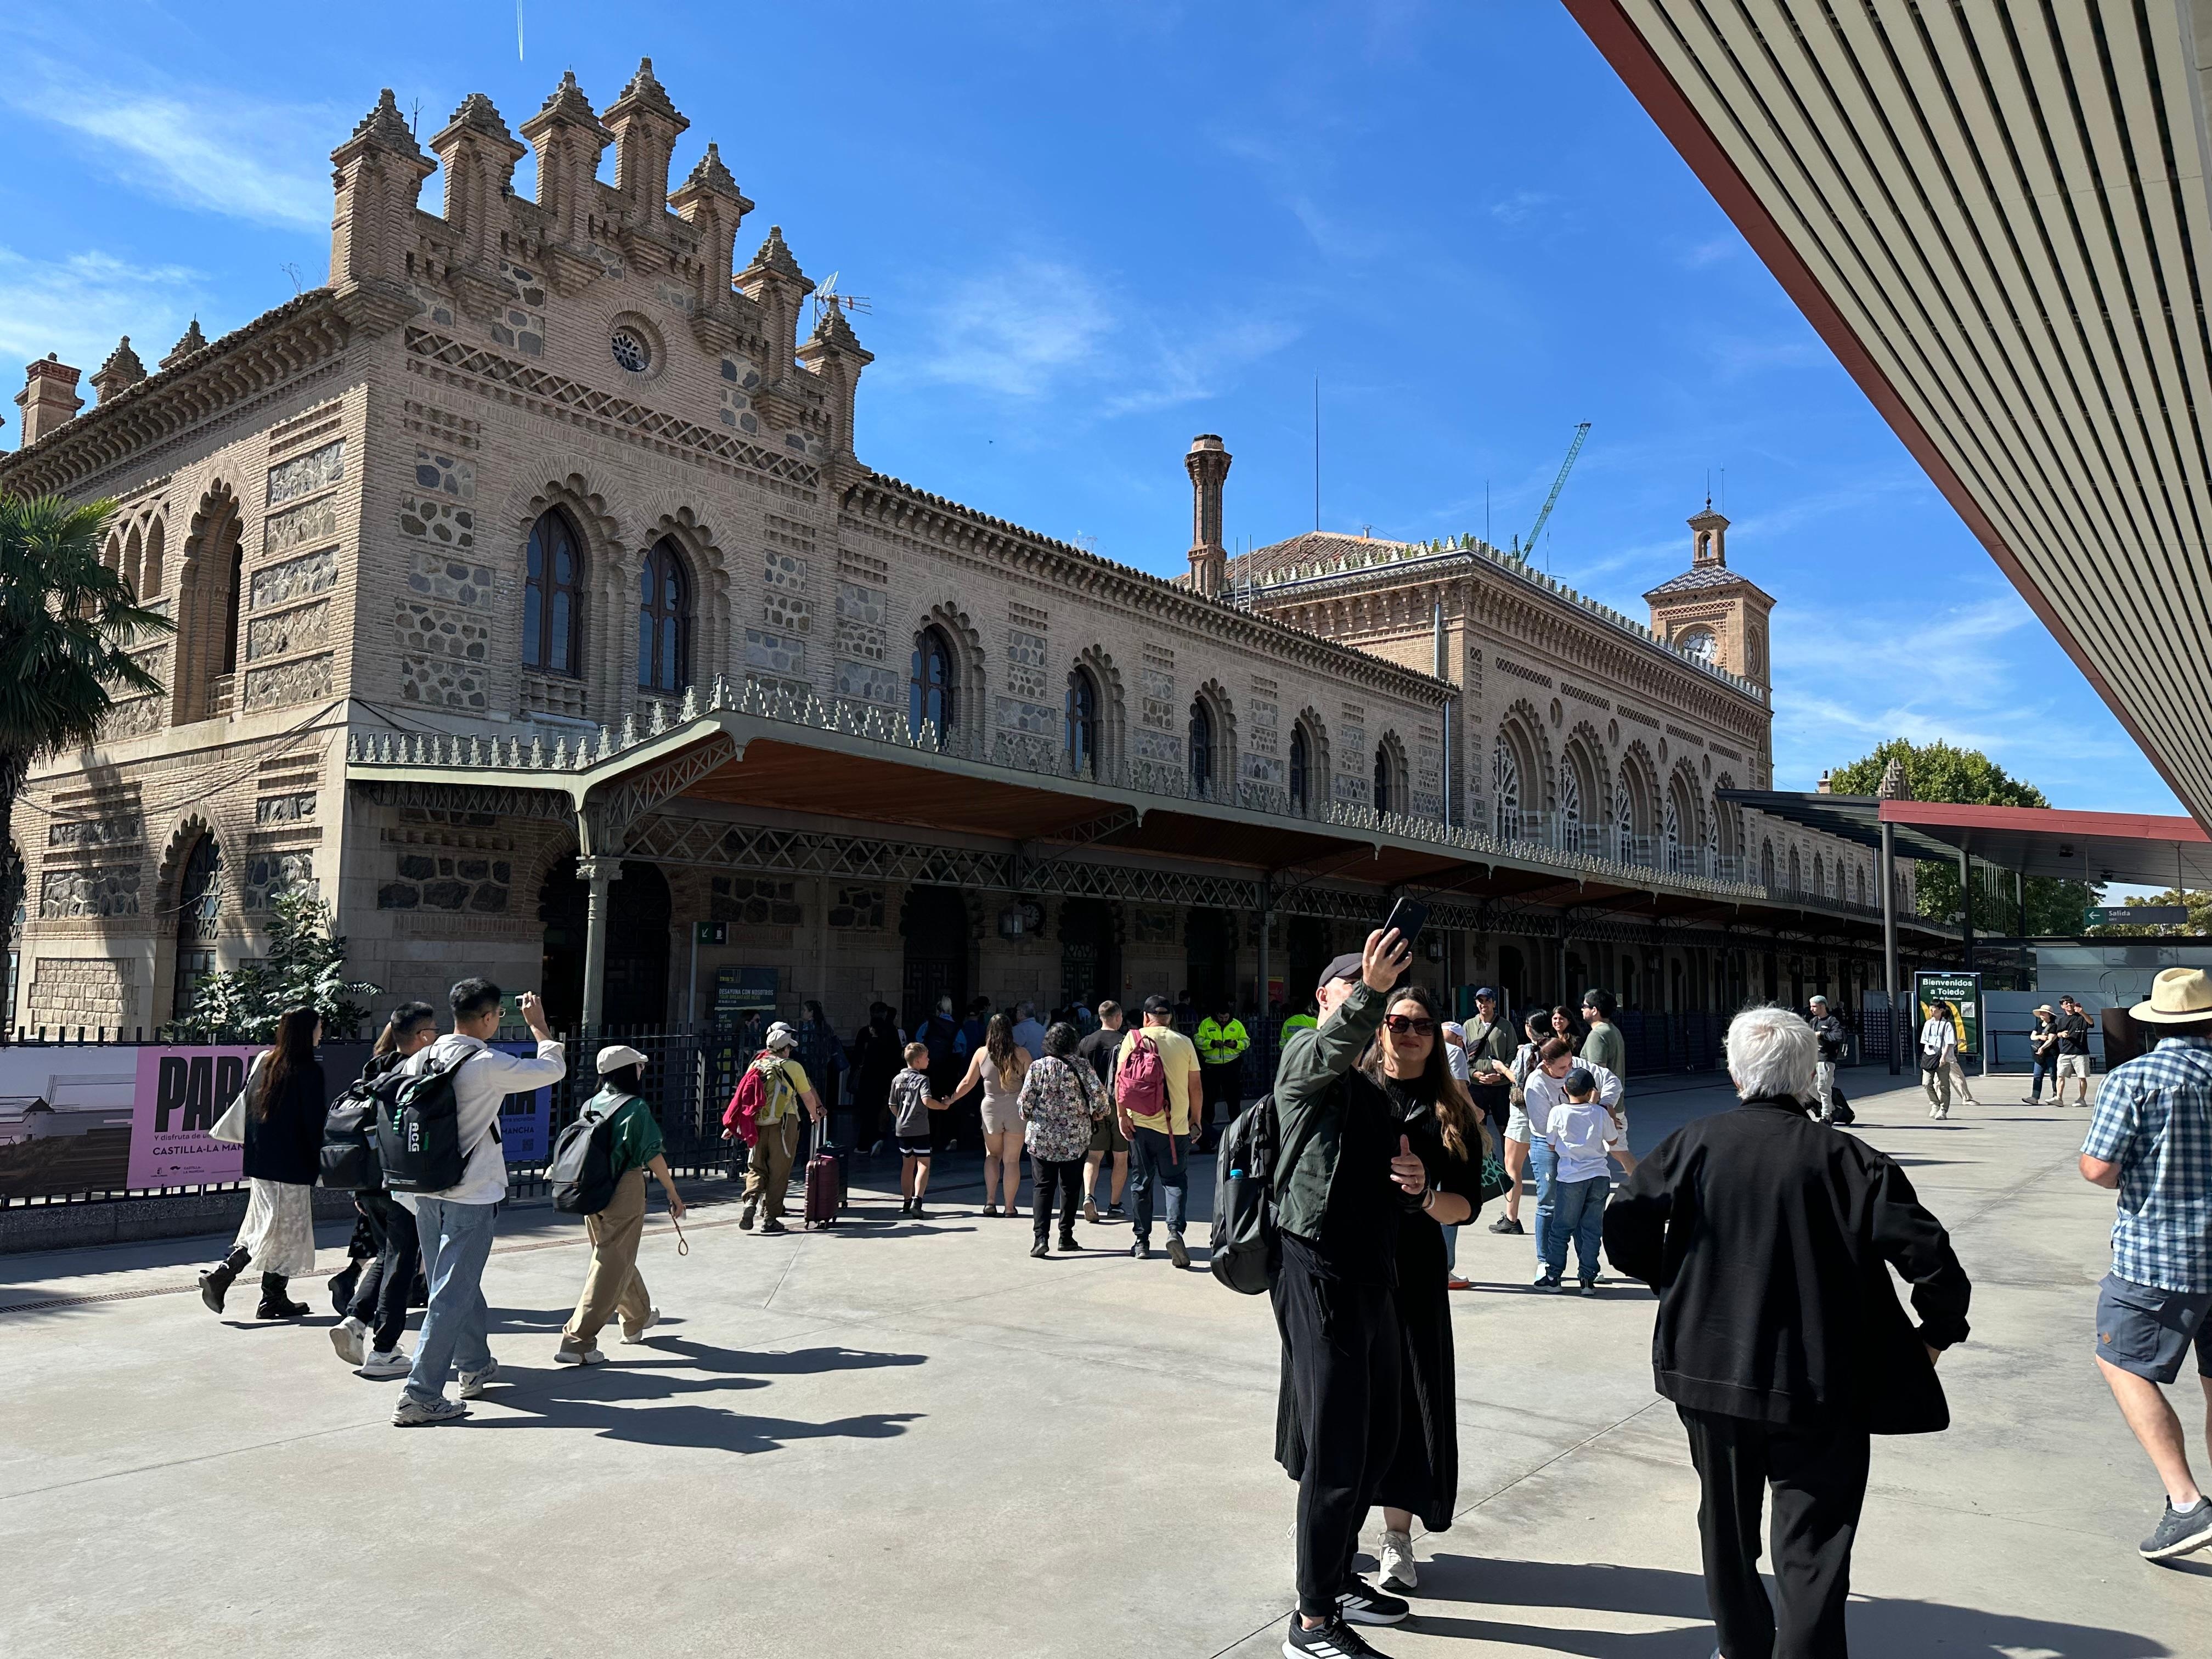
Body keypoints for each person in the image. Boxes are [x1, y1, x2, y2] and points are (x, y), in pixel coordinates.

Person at [1605, 1004, 1972, 1659]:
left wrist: (1677, 1283)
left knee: (1725, 1528)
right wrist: (1934, 1337)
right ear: (1808, 1077)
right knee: (1814, 1546)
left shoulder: (1695, 1143)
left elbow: (1626, 1223)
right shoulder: (1851, 1161)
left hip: (1711, 1370)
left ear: (1735, 1072)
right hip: (1823, 1380)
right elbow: (1935, 1263)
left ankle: (1741, 1645)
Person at [1269, 930, 1426, 1657]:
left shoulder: (1370, 1089)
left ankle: (1336, 1574)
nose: (1373, 1000)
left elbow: (1385, 1179)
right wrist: (1363, 993)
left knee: (1381, 1432)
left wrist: (1414, 1187)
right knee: (1335, 1445)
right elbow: (1333, 1045)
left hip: (1371, 1274)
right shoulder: (1305, 1059)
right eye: (1353, 989)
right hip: (1317, 1269)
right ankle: (1310, 1619)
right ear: (1325, 1000)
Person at [1350, 985, 1484, 1596]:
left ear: (1438, 1038)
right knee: (1349, 1400)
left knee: (1408, 1398)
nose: (1408, 1033)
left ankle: (1397, 1539)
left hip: (1414, 1273)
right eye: (1397, 1022)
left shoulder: (1454, 1112)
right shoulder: (1349, 1093)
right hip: (1348, 1267)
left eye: (1422, 1025)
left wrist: (1425, 1193)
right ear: (1379, 1030)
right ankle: (1336, 1527)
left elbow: (1465, 1209)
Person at [2077, 967, 2212, 1561]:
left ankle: (2186, 1504)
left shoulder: (2136, 1078)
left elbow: (2099, 1169)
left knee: (2122, 1361)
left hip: (2159, 1256)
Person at [392, 980, 566, 1427]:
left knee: (453, 1286)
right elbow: (551, 1071)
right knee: (450, 1293)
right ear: (488, 1018)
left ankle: (475, 1365)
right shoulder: (486, 1062)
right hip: (471, 1193)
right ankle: (420, 1393)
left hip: (426, 1188)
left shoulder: (421, 1057)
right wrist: (541, 1029)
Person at [556, 1044, 690, 1365]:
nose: (643, 1071)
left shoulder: (591, 1103)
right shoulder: (636, 1107)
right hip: (624, 1186)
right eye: (639, 1067)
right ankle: (578, 1341)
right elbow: (652, 1155)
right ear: (628, 1071)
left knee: (614, 1255)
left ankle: (636, 1318)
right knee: (611, 1261)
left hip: (591, 1187)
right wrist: (673, 1193)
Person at [197, 1005, 327, 1322]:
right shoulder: (308, 1070)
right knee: (279, 1229)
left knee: (269, 1226)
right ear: (306, 1032)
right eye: (319, 1027)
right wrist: (322, 1163)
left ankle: (273, 1298)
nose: (322, 1033)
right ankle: (226, 1275)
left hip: (262, 1160)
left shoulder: (265, 1061)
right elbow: (313, 1124)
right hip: (292, 1164)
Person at [329, 1001, 438, 1379]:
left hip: (368, 1183)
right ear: (421, 1034)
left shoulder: (373, 1069)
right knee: (401, 1265)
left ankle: (356, 1320)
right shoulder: (415, 1072)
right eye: (434, 1031)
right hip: (401, 1183)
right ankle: (385, 1349)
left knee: (387, 1256)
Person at [1522, 1035, 1622, 1285]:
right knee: (1549, 1203)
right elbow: (1545, 1130)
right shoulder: (1535, 1083)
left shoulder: (1578, 1067)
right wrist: (1588, 1116)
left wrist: (1605, 1105)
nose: (1569, 1071)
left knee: (1579, 1215)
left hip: (1574, 1157)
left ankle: (1586, 1268)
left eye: (1571, 1065)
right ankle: (1546, 1262)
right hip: (1548, 1145)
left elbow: (1611, 1080)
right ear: (1546, 1064)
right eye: (1562, 1068)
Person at [1118, 992, 1205, 1267]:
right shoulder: (1185, 1043)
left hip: (1140, 1124)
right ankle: (1174, 1231)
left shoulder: (1132, 1039)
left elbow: (1120, 1084)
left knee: (1141, 1182)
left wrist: (1122, 1116)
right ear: (1169, 1019)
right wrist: (1196, 1120)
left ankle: (1141, 1242)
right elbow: (1196, 1088)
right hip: (1176, 1127)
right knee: (1175, 1181)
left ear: (1146, 1017)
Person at [1019, 1021, 1110, 1256]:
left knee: (1042, 1187)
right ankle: (1066, 1236)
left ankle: (1041, 1238)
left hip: (1042, 1139)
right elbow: (1101, 1098)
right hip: (1075, 1139)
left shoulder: (1038, 1067)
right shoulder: (1082, 1066)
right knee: (1070, 1188)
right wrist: (1097, 1112)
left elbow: (1024, 1105)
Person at [737, 1021, 825, 1234]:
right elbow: (807, 1097)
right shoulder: (793, 1066)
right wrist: (816, 1116)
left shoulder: (756, 1065)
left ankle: (751, 1201)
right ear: (785, 1048)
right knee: (779, 1172)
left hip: (758, 1123)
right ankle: (770, 1219)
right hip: (785, 1123)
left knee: (757, 1167)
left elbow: (743, 1095)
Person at [1537, 1068, 1615, 1294]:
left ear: (1564, 1089)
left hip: (1571, 1176)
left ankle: (1553, 1277)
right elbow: (1613, 1138)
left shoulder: (1558, 1112)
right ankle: (1588, 1279)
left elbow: (1551, 1143)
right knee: (1591, 1229)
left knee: (1561, 1227)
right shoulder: (1600, 1113)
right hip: (1599, 1175)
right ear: (1592, 1091)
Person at [952, 1013, 1031, 1217]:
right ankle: (1010, 1207)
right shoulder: (1022, 1054)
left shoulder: (981, 1054)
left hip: (990, 1108)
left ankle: (990, 1201)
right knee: (1012, 1161)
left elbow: (968, 1083)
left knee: (992, 1156)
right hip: (1015, 1108)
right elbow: (1033, 1085)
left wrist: (950, 1100)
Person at [1492, 1009, 1552, 1240]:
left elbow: (1518, 1078)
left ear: (1530, 1028)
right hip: (1547, 1113)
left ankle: (1511, 1218)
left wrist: (1501, 1068)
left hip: (1522, 1113)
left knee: (1512, 1167)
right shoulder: (1555, 1048)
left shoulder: (1528, 1050)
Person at [1078, 999, 1131, 1222]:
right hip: (1120, 1105)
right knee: (1121, 1157)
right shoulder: (1126, 1042)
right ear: (1118, 1017)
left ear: (1100, 1018)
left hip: (1094, 1107)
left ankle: (1089, 1195)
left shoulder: (1087, 1042)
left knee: (1093, 1155)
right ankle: (1115, 1204)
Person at [888, 1041, 951, 1216]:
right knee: (923, 1164)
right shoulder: (922, 1080)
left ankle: (906, 1202)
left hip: (902, 1128)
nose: (929, 1060)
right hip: (920, 1129)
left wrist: (901, 1117)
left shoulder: (896, 1079)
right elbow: (926, 1101)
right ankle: (918, 1199)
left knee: (907, 1165)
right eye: (926, 1057)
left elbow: (892, 1105)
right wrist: (943, 1106)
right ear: (917, 1062)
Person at [1579, 989, 1635, 1176]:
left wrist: (1597, 1106)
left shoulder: (1597, 1035)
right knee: (1616, 1150)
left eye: (1585, 1006)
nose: (1582, 1009)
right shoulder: (1613, 1031)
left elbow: (1596, 1076)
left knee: (1616, 1151)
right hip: (1612, 1104)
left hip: (1605, 1106)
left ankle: (1647, 1186)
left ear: (1595, 1010)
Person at [1195, 995, 1251, 1152]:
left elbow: (1246, 1041)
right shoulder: (1206, 1024)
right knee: (1208, 1104)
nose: (1224, 1020)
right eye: (1221, 1017)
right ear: (1216, 1015)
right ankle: (1206, 1141)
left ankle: (1239, 1137)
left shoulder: (1237, 1025)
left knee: (1234, 1103)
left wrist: (1236, 1044)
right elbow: (1198, 1041)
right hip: (1212, 1068)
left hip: (1231, 1067)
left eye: (1226, 1017)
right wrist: (1211, 1043)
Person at [851, 1002, 906, 1154]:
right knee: (884, 1109)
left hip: (868, 1078)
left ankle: (865, 1144)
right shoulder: (893, 1032)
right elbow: (897, 1056)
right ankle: (880, 1137)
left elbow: (857, 1056)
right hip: (887, 1077)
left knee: (867, 1111)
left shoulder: (865, 1033)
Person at [1920, 998, 1968, 1118]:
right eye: (1930, 1009)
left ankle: (1943, 1109)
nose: (1931, 1011)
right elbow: (1925, 1042)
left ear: (1941, 1010)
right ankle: (1935, 1103)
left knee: (1943, 1085)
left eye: (1934, 1009)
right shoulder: (1928, 1024)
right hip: (1929, 1057)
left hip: (1942, 1058)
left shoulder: (1947, 1025)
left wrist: (1944, 1057)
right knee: (1926, 1083)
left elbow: (1949, 1043)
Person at [1807, 995, 1846, 1123]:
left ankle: (1826, 1116)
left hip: (1826, 1060)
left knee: (1823, 1088)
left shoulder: (1832, 1020)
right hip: (1814, 1060)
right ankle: (1833, 1109)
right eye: (1811, 1006)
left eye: (1814, 1006)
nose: (1811, 1009)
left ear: (1822, 1006)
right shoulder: (1813, 1022)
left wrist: (1822, 1034)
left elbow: (1839, 1036)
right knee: (1811, 1088)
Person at [2057, 994, 2096, 1107]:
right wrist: (2062, 1034)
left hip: (2081, 1053)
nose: (2069, 1005)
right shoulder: (2062, 1020)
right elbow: (2058, 1033)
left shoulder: (2081, 1017)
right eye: (2066, 1003)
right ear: (2062, 1006)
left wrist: (2082, 1012)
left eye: (2071, 1002)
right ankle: (2059, 1098)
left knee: (2082, 1077)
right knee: (2060, 1075)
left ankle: (2082, 1099)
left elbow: (2091, 1023)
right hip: (2065, 1052)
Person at [2025, 1004, 2062, 1106]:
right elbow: (2032, 1037)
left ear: (2050, 1015)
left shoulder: (2054, 1026)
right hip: (2039, 1056)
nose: (2042, 1014)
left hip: (2051, 1054)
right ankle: (2035, 1097)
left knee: (2053, 1075)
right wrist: (2040, 1037)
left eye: (2044, 1012)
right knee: (2037, 1075)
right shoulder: (2039, 1025)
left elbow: (2051, 1040)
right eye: (2041, 1012)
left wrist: (2042, 1048)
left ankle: (2056, 1096)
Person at [1010, 999, 1048, 1063]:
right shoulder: (1043, 1030)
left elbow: (1011, 1052)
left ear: (1021, 1013)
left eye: (1017, 1011)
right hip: (1040, 1067)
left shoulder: (1018, 1030)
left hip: (1024, 1068)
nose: (1016, 1013)